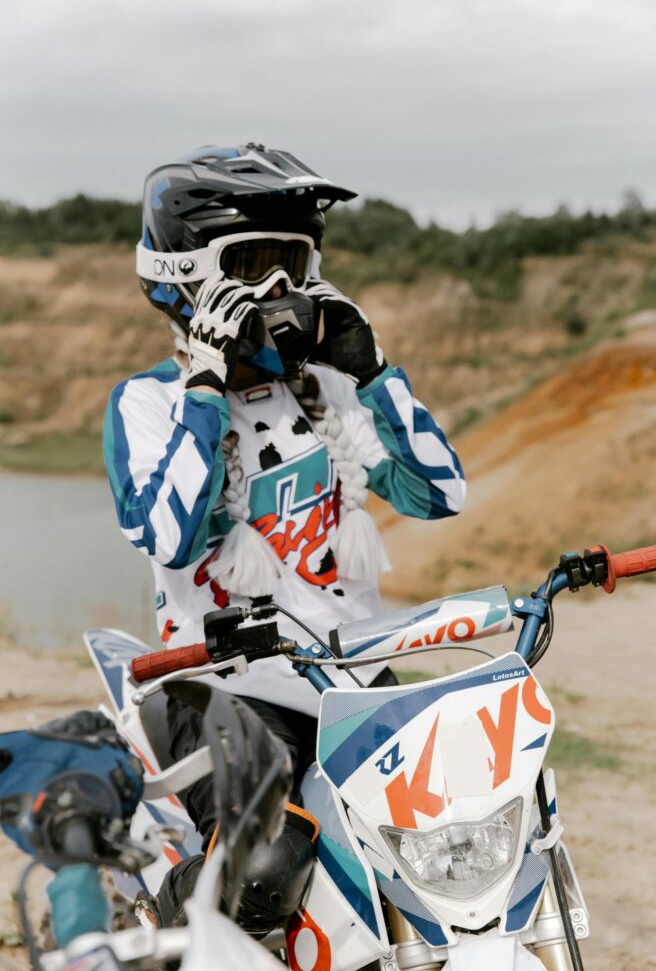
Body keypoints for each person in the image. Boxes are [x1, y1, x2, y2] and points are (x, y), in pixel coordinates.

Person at [104, 142, 467, 930]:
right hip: (219, 687)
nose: (276, 288)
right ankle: (156, 934)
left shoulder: (332, 389)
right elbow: (168, 536)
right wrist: (206, 386)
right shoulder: (148, 403)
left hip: (351, 676)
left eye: (292, 263)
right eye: (250, 264)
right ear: (184, 274)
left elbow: (440, 494)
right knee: (264, 868)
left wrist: (374, 371)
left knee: (458, 835)